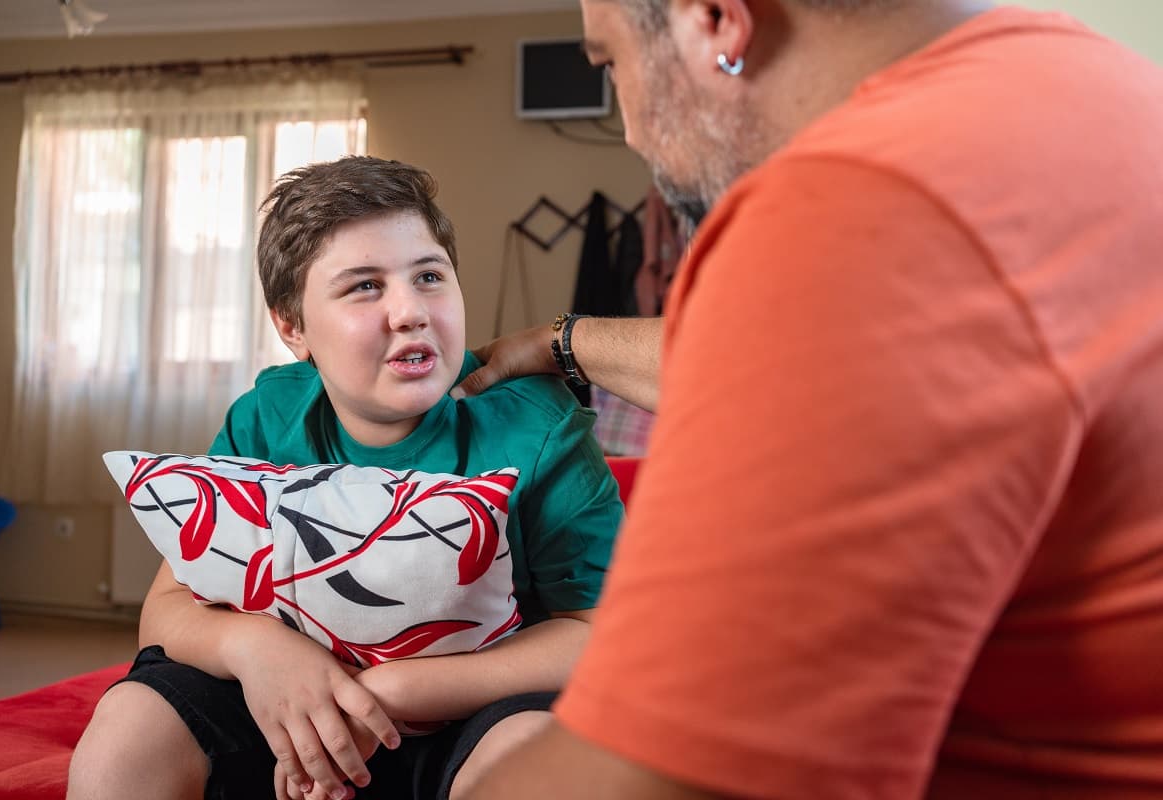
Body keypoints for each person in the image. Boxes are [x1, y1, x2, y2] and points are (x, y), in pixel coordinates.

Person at [462, 1, 1163, 798]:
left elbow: (649, 779)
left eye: (609, 64)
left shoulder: (859, 202)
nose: (627, 127)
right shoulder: (1091, 88)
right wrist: (565, 340)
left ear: (714, 18)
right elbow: (851, 361)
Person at [67, 156, 624, 800]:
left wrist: (393, 688)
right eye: (364, 286)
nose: (410, 310)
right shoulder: (267, 416)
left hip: (478, 709)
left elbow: (600, 635)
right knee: (128, 729)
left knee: (539, 761)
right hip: (288, 701)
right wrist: (255, 650)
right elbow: (167, 610)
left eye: (429, 276)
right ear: (292, 326)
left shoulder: (537, 427)